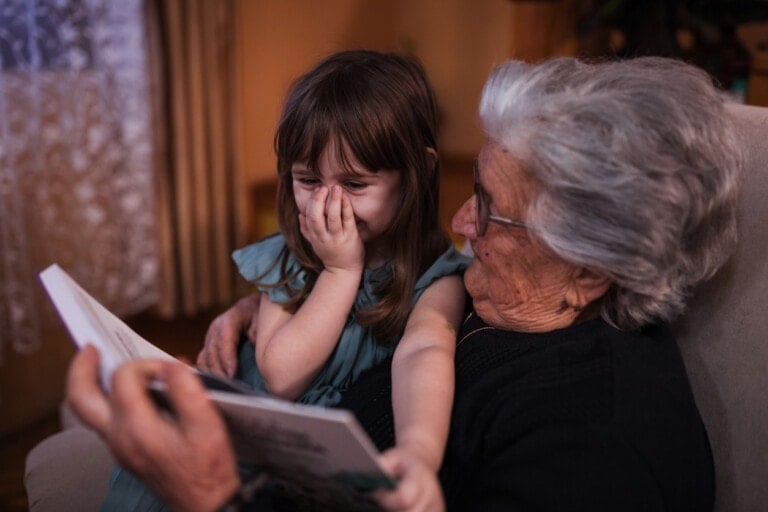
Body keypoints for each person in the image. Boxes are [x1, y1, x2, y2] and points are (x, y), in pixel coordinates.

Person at [67, 55, 742, 511]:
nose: (458, 220)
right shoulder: (504, 295)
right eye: (472, 187)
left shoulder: (599, 443)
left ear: (590, 270)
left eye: (491, 210)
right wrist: (260, 302)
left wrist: (214, 495)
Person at [99, 49, 469, 511]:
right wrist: (340, 269)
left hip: (320, 458)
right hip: (251, 436)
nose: (327, 205)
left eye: (355, 185)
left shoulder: (440, 278)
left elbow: (425, 354)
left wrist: (418, 452)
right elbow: (281, 377)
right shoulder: (293, 255)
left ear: (419, 171)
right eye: (308, 180)